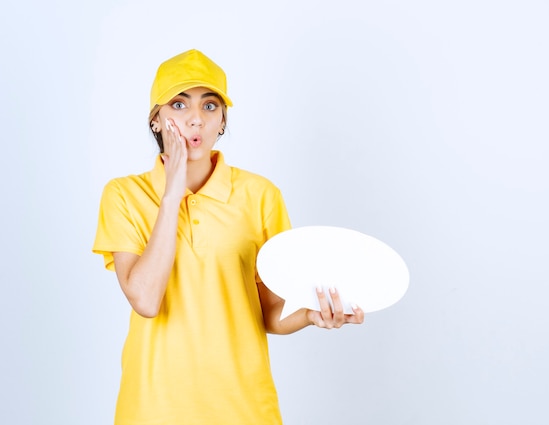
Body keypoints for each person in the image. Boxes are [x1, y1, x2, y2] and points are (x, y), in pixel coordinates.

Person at [92, 49, 364, 425]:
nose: (194, 120)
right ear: (156, 120)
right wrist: (172, 193)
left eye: (209, 106)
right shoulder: (123, 195)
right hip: (154, 408)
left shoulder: (260, 195)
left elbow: (270, 312)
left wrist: (310, 314)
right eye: (178, 104)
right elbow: (146, 299)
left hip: (244, 408)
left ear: (222, 121)